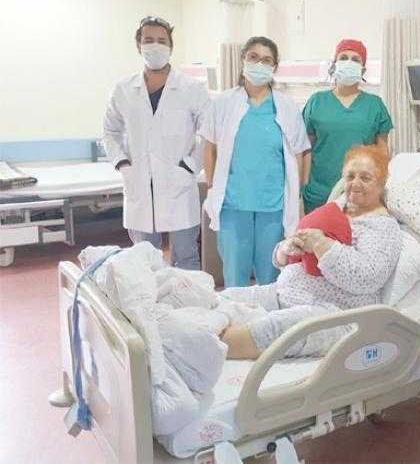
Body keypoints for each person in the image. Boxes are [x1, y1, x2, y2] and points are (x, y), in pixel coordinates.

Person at [218, 145, 400, 359]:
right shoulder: (335, 210)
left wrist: (321, 244)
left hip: (336, 313)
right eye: (350, 176)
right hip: (285, 294)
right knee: (225, 298)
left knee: (276, 328)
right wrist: (285, 250)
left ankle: (202, 346)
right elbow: (289, 254)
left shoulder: (382, 227)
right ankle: (194, 330)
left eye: (366, 178)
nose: (355, 184)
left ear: (382, 182)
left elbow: (367, 278)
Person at [201, 36, 310, 287]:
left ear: (274, 67)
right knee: (235, 275)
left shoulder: (285, 106)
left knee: (271, 274)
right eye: (253, 57)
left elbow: (301, 152)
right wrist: (211, 186)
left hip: (273, 205)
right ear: (243, 61)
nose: (259, 64)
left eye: (267, 60)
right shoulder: (224, 103)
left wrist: (298, 194)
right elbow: (210, 148)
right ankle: (236, 313)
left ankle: (267, 313)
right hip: (232, 204)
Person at [103, 16, 210, 269]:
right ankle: (149, 297)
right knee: (144, 261)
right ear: (138, 45)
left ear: (171, 46)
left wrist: (190, 167)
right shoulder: (123, 89)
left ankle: (188, 297)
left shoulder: (191, 88)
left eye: (162, 41)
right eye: (148, 40)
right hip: (139, 184)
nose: (155, 46)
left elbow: (209, 132)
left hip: (178, 184)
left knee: (186, 258)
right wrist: (123, 164)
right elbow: (109, 131)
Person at [302, 39, 393, 213]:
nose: (349, 62)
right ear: (334, 64)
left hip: (360, 193)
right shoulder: (316, 101)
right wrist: (303, 186)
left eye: (355, 60)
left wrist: (379, 188)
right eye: (343, 58)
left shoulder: (375, 105)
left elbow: (382, 153)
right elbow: (305, 148)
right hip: (318, 192)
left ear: (363, 70)